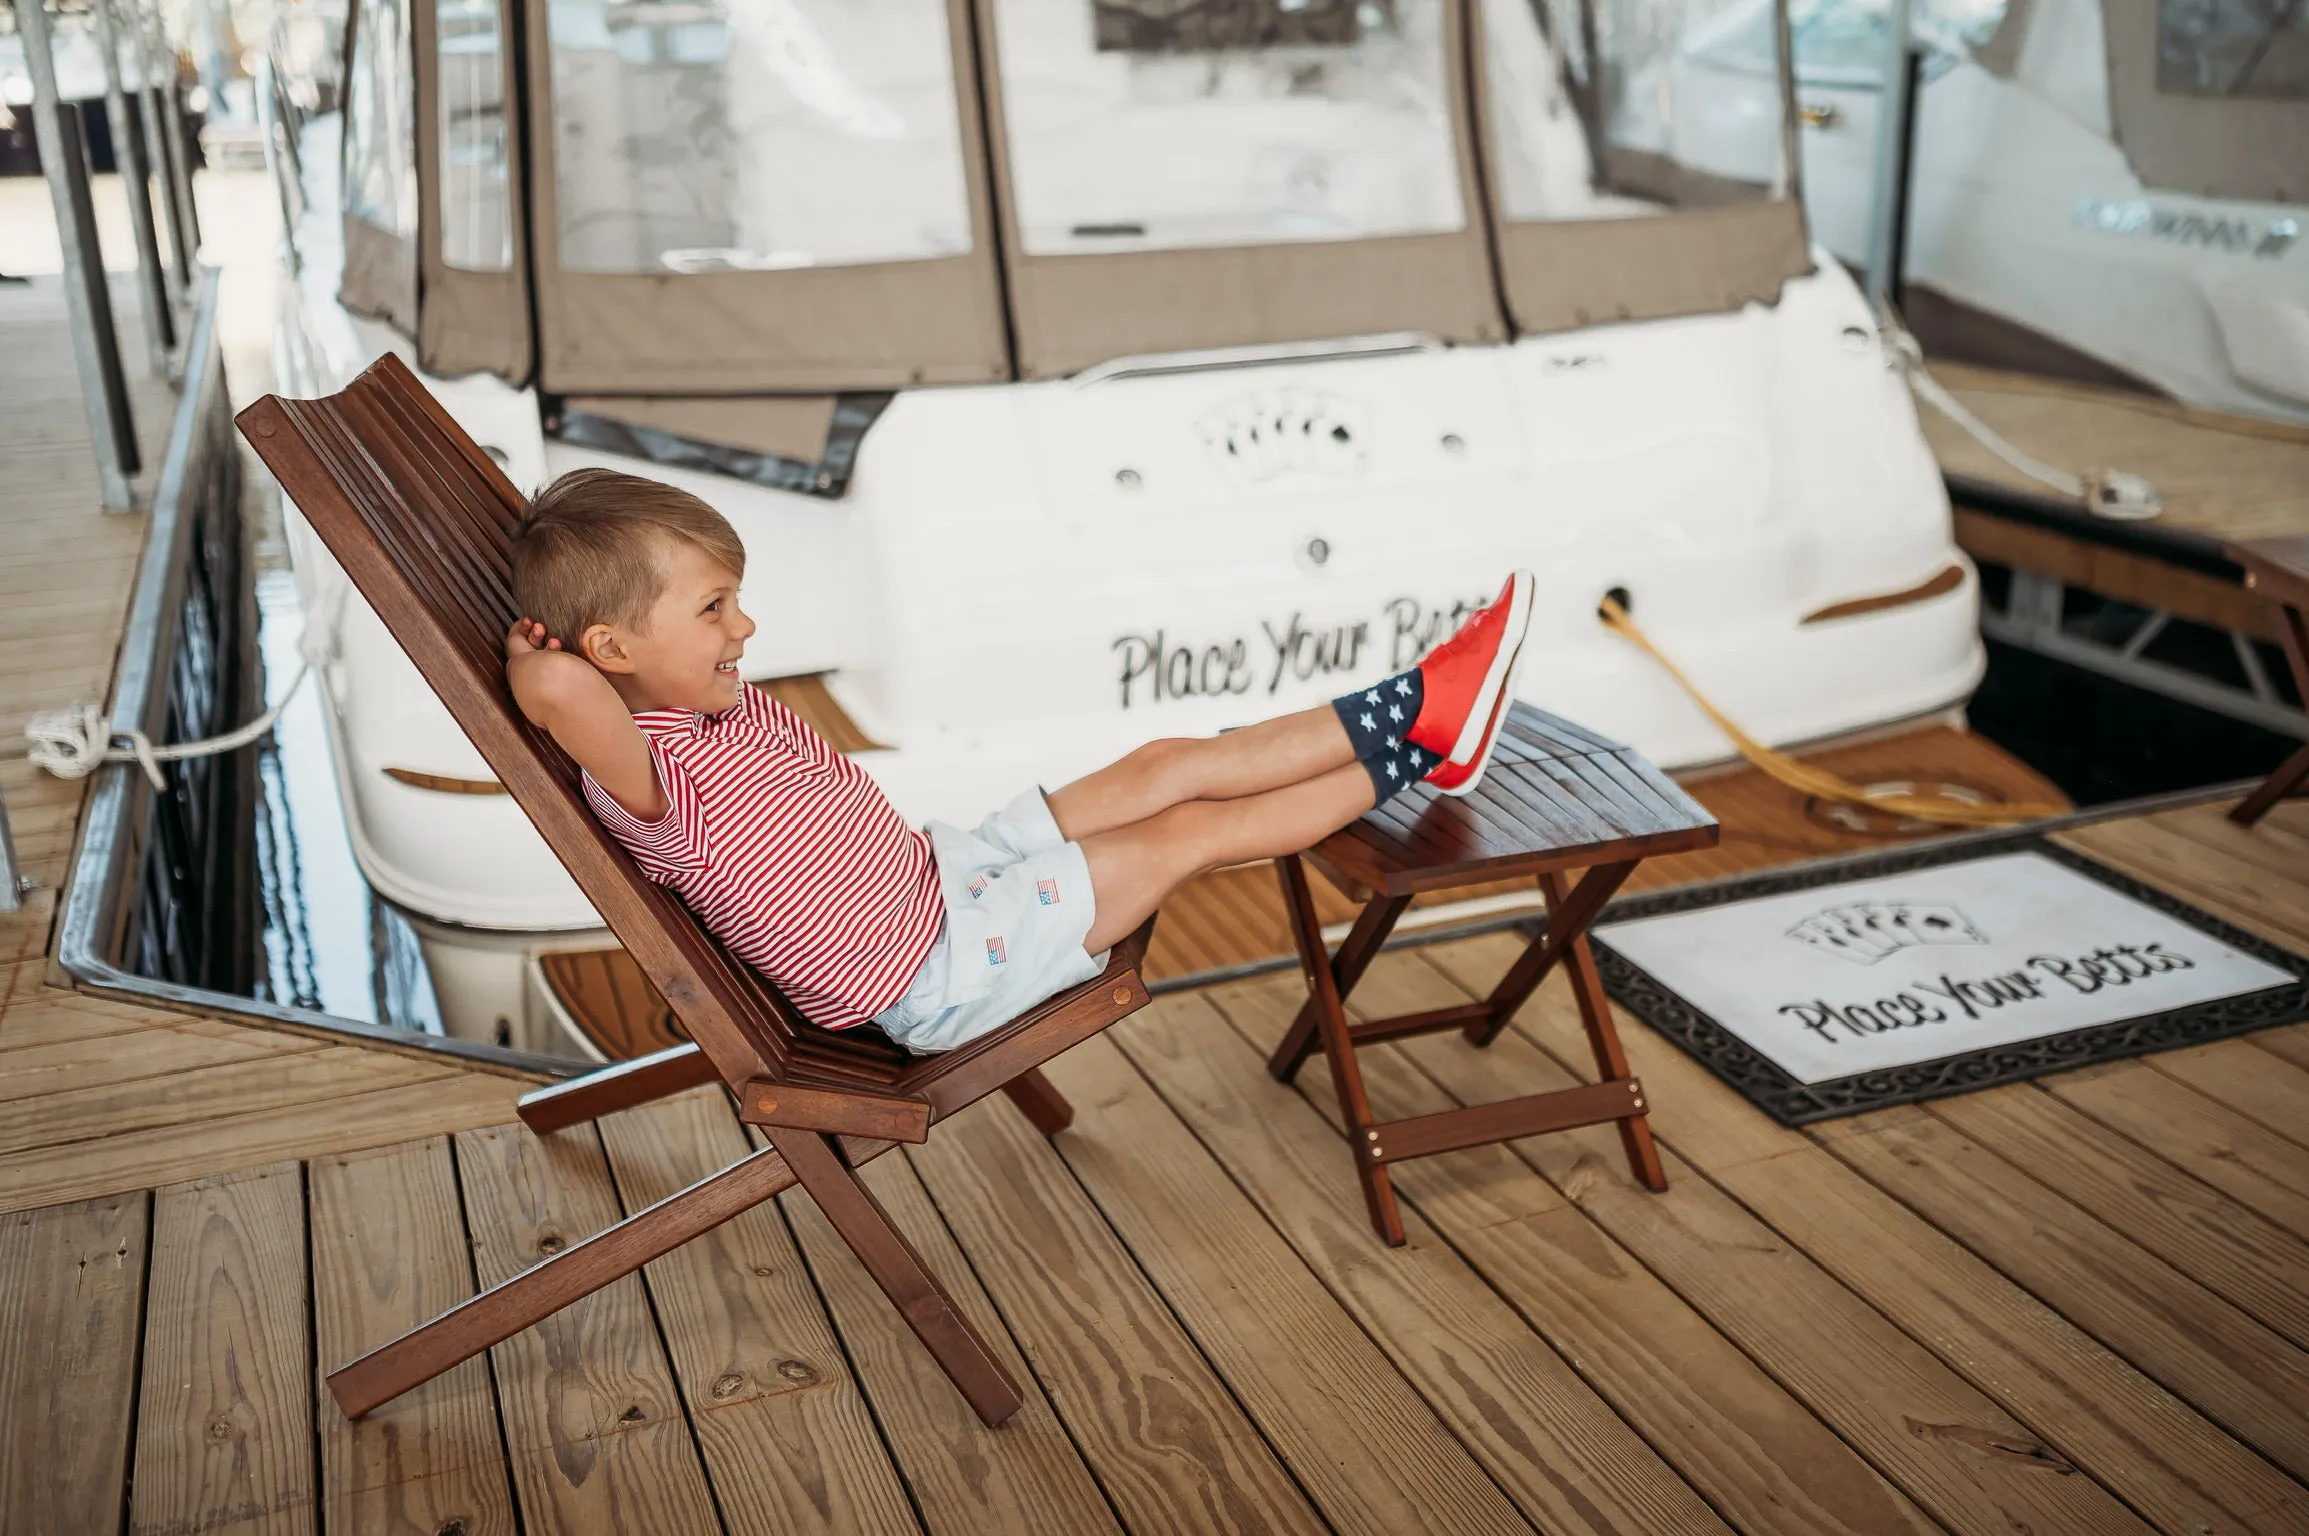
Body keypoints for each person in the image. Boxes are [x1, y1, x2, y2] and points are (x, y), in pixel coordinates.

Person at [505, 468, 1535, 1054]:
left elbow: (584, 674)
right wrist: (539, 656)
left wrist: (603, 640)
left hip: (946, 877)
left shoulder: (707, 708)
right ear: (611, 652)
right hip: (938, 968)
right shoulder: (650, 777)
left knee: (1163, 764)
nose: (747, 623)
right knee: (1185, 831)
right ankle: (1418, 750)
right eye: (713, 608)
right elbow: (555, 694)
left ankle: (1419, 704)